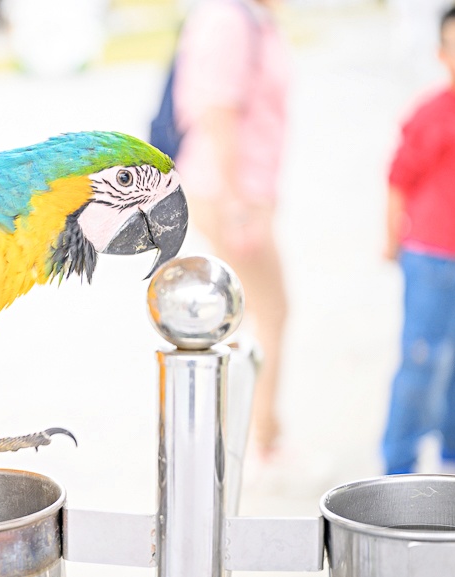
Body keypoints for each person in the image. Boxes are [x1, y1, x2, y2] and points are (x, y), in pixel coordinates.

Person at [172, 0, 291, 456]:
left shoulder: (248, 17)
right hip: (228, 190)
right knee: (268, 311)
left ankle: (247, 437)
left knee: (249, 315)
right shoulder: (228, 18)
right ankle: (261, 442)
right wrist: (236, 201)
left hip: (238, 188)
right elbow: (218, 112)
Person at [380, 4, 455, 476]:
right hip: (431, 259)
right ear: (443, 54)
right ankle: (397, 465)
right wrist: (391, 237)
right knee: (421, 361)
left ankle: (452, 457)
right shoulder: (432, 114)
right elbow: (398, 177)